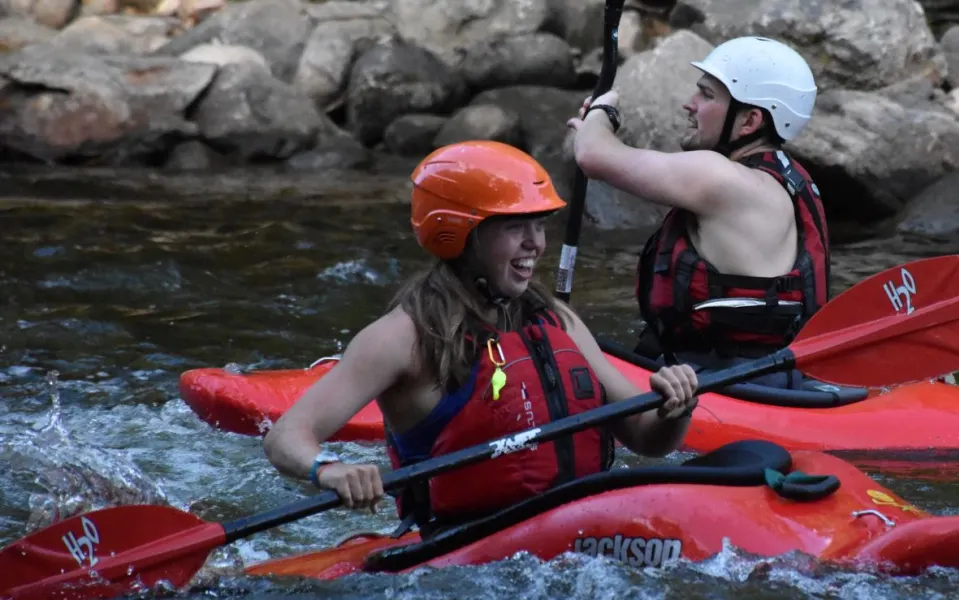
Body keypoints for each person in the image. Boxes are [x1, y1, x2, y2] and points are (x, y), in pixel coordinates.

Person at [262, 141, 700, 535]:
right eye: (515, 227)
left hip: (577, 535)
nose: (536, 244)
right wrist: (329, 469)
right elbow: (285, 436)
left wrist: (676, 408)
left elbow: (647, 439)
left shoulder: (555, 319)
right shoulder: (403, 338)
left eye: (539, 225)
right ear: (459, 234)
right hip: (458, 556)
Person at [568, 36, 832, 389]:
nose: (688, 105)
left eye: (706, 95)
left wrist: (603, 112)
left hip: (721, 384)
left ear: (749, 120)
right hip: (758, 373)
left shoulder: (722, 179)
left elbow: (592, 156)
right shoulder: (788, 180)